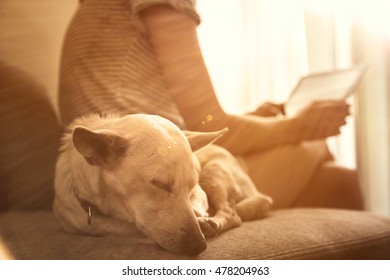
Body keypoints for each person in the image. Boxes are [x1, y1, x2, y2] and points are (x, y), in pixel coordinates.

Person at [59, 0, 364, 210]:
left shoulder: (93, 10)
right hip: (149, 173)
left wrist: (255, 119)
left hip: (113, 169)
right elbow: (206, 125)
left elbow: (192, 124)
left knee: (334, 180)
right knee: (323, 157)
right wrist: (299, 126)